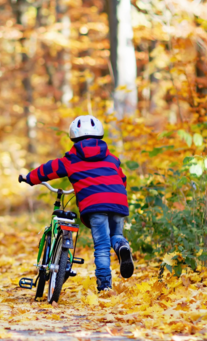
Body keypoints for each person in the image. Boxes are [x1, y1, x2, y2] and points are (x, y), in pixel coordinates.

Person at [19, 115, 134, 291]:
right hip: (117, 200)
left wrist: (30, 178)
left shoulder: (72, 159)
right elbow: (122, 179)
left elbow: (49, 169)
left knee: (102, 247)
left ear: (74, 137)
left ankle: (105, 286)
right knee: (115, 236)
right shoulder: (112, 159)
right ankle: (122, 246)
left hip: (95, 204)